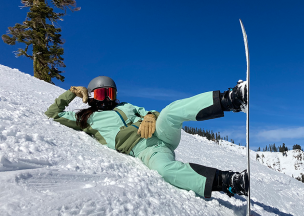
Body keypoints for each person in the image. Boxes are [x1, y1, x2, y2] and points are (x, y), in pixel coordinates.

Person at [45, 76, 248, 199]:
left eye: (109, 93)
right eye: (100, 95)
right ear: (90, 97)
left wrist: (151, 115)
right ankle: (230, 181)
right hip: (146, 150)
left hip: (160, 133)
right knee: (164, 169)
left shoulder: (127, 106)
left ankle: (231, 99)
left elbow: (150, 112)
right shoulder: (85, 118)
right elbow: (53, 113)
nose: (106, 99)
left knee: (169, 111)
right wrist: (71, 92)